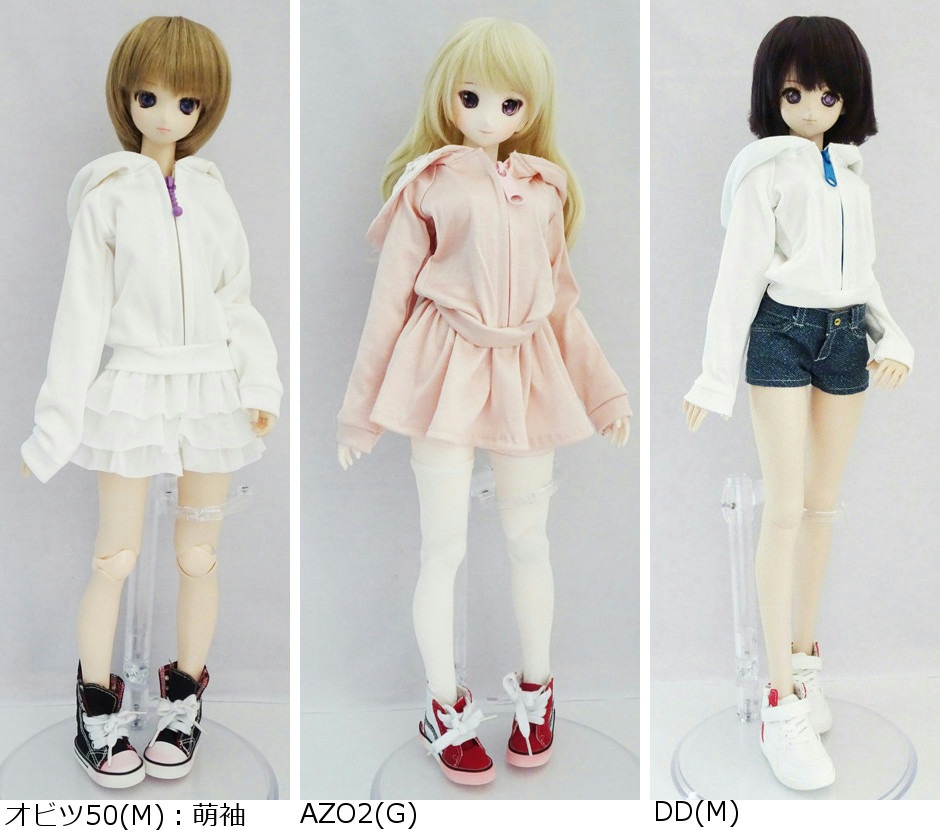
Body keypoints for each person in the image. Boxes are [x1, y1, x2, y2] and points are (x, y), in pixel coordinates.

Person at [337, 17, 631, 785]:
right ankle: (442, 703)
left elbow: (563, 304)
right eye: (472, 97)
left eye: (510, 102)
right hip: (442, 365)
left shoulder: (543, 189)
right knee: (443, 548)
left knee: (529, 540)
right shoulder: (429, 184)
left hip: (525, 369)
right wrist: (360, 413)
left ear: (530, 109)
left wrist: (604, 394)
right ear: (448, 97)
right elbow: (388, 303)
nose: (490, 114)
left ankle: (539, 688)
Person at [22, 16, 282, 787]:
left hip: (210, 388)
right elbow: (80, 316)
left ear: (205, 109)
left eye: (187, 103)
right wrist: (53, 426)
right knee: (116, 556)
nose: (167, 115)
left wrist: (257, 382)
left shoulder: (210, 195)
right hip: (134, 385)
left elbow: (236, 297)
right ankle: (96, 705)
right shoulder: (107, 196)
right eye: (151, 97)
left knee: (198, 554)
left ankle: (183, 696)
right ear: (127, 98)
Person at [684, 15, 911, 790]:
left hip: (847, 337)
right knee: (783, 509)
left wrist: (893, 336)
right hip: (780, 333)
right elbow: (738, 276)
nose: (811, 107)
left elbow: (864, 273)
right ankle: (777, 698)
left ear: (848, 99)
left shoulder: (852, 178)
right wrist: (713, 377)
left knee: (821, 507)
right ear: (772, 97)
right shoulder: (765, 173)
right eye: (793, 93)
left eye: (827, 94)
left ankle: (804, 664)